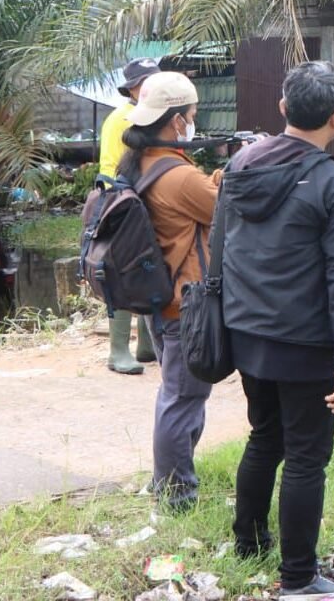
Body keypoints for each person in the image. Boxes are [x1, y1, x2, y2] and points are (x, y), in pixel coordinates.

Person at [221, 61, 334, 596]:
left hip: (248, 335)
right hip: (307, 345)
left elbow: (221, 252)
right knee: (307, 458)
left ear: (283, 109)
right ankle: (299, 578)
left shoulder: (240, 167)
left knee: (265, 438)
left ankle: (249, 543)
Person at [117, 71, 221, 511]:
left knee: (179, 397)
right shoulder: (177, 176)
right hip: (186, 306)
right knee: (182, 400)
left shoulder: (141, 163)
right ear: (176, 122)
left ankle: (168, 483)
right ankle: (176, 495)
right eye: (191, 116)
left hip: (162, 302)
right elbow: (224, 208)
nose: (193, 123)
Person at [100, 58, 159, 374]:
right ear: (133, 88)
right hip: (120, 201)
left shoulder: (144, 116)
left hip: (138, 199)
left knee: (146, 267)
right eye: (147, 82)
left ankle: (146, 344)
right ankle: (118, 350)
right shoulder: (125, 118)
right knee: (121, 272)